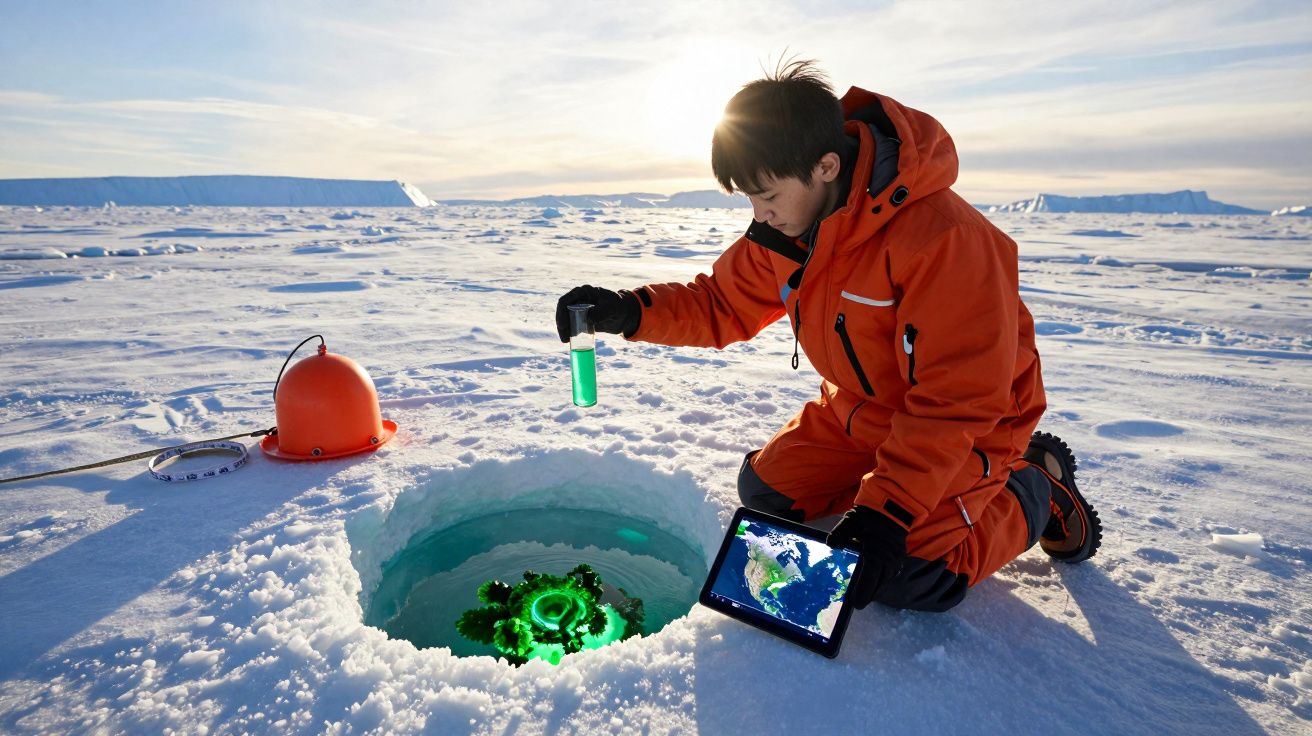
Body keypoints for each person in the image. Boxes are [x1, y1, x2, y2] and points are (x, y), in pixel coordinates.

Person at [555, 60, 1101, 613]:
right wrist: (628, 312)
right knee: (765, 493)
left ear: (825, 166)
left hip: (972, 425)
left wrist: (885, 512)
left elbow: (957, 401)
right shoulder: (786, 231)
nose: (759, 214)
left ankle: (1034, 485)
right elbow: (720, 303)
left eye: (765, 194)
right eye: (747, 198)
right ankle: (891, 486)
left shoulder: (948, 240)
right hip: (860, 410)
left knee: (910, 574)